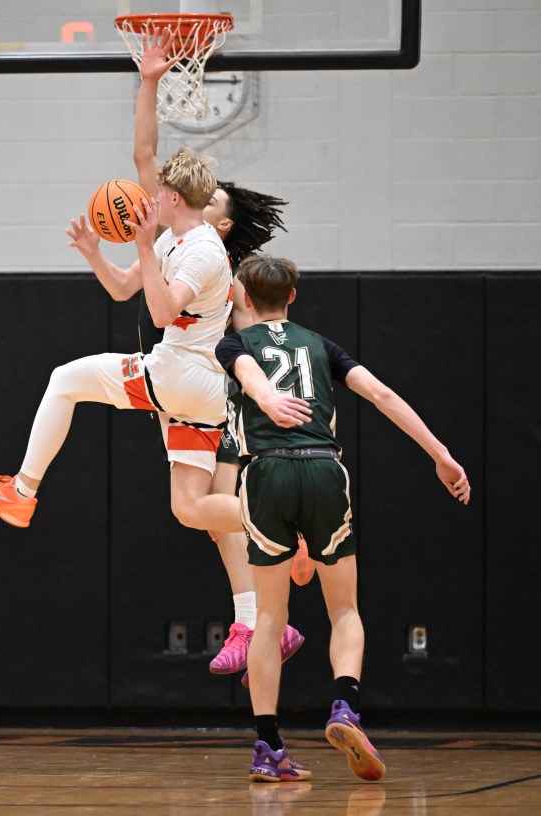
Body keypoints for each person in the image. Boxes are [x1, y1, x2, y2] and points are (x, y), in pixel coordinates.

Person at [215, 254, 471, 783]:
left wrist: (266, 398)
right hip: (324, 470)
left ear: (240, 297)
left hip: (265, 474)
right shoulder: (320, 345)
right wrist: (441, 454)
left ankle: (268, 746)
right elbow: (381, 394)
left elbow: (244, 371)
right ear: (292, 297)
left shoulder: (233, 342)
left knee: (268, 618)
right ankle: (345, 706)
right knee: (345, 608)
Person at [127, 26, 302, 679]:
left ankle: (281, 545)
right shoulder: (184, 236)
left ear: (219, 221)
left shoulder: (209, 255)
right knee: (203, 515)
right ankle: (254, 619)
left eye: (210, 200)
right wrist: (150, 81)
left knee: (213, 510)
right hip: (193, 386)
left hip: (218, 389)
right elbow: (146, 160)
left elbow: (252, 333)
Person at [0, 146, 246, 537]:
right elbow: (124, 288)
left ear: (174, 197)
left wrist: (143, 245)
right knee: (191, 507)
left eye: (160, 192)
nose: (153, 198)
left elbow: (162, 315)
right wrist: (94, 254)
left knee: (64, 380)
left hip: (182, 371)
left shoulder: (202, 251)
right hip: (200, 388)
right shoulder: (176, 239)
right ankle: (286, 525)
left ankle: (21, 492)